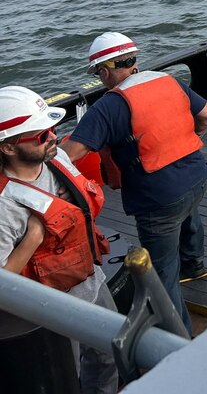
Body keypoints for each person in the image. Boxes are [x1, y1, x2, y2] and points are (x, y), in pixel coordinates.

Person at [63, 32, 207, 335]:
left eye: (99, 73)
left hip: (157, 198)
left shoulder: (109, 106)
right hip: (197, 176)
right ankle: (195, 263)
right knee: (188, 215)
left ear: (104, 71)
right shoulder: (168, 81)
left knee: (162, 273)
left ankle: (178, 336)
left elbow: (71, 154)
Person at [0, 86, 119, 394]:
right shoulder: (4, 206)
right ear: (9, 148)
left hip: (91, 280)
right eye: (41, 135)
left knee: (110, 353)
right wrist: (34, 236)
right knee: (67, 378)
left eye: (52, 129)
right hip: (51, 308)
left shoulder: (58, 158)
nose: (53, 137)